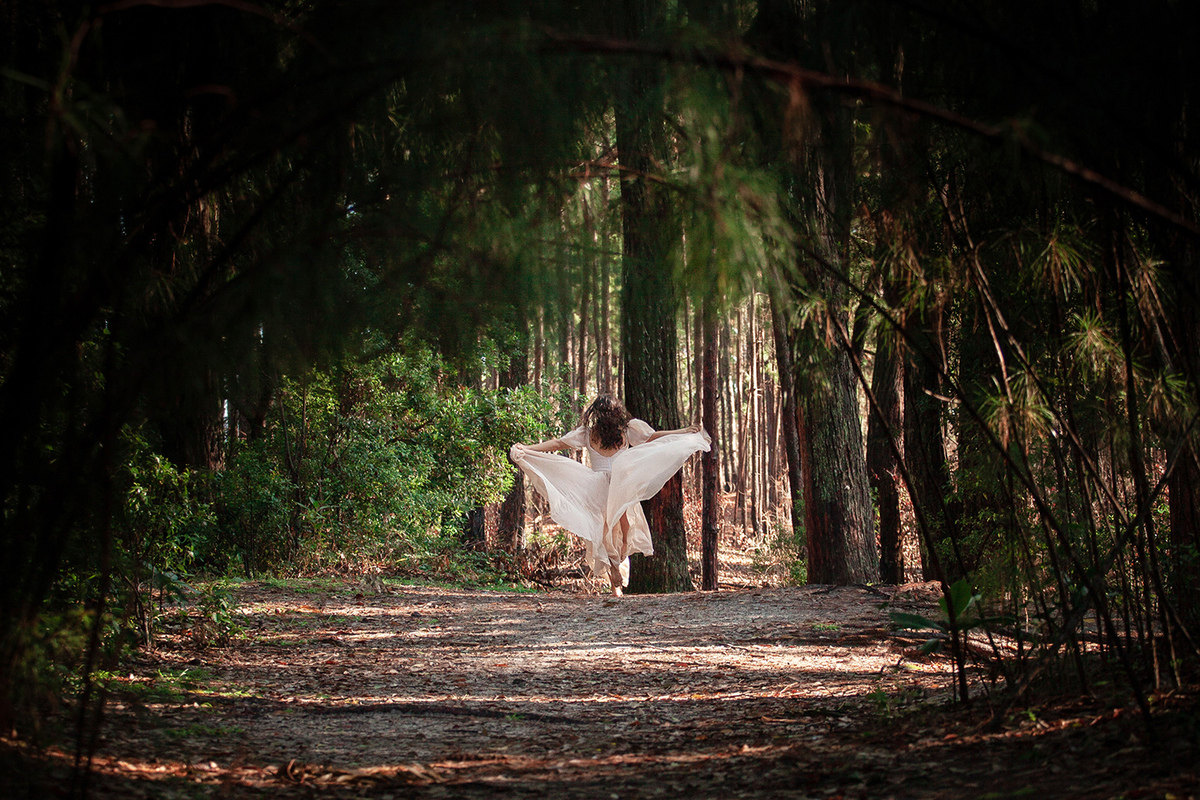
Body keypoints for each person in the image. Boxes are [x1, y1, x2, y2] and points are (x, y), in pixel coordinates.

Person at [510, 394, 711, 597]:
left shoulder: (590, 434)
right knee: (624, 527)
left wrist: (528, 449)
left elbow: (557, 443)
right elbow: (653, 437)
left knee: (603, 530)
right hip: (620, 485)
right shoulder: (626, 430)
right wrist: (682, 431)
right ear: (617, 412)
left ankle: (615, 579)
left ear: (595, 413)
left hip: (597, 485)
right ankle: (618, 564)